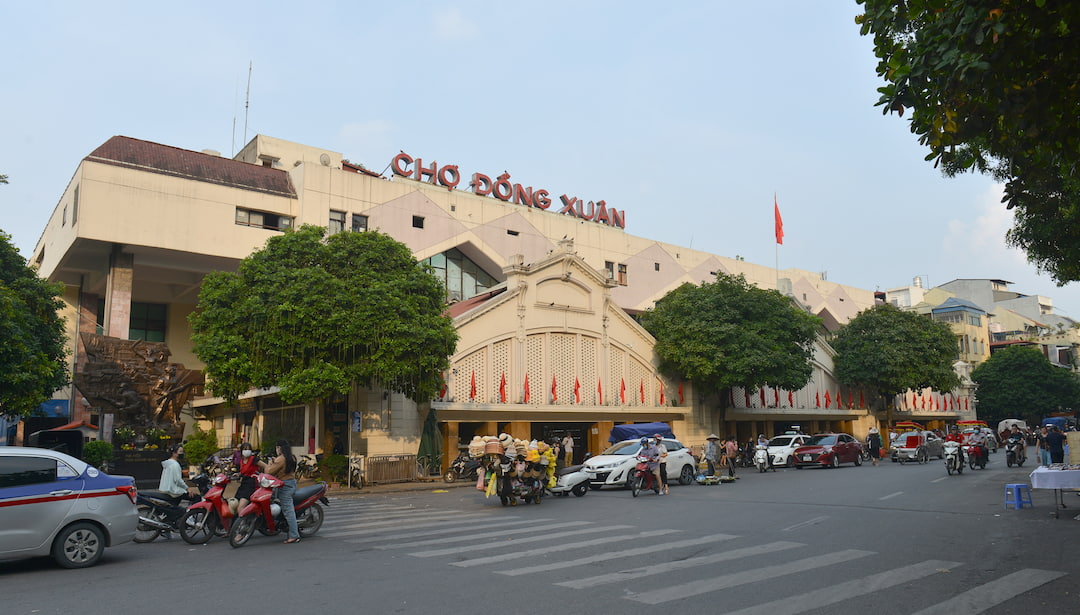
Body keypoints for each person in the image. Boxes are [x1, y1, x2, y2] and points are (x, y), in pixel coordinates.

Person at [266, 439, 300, 544]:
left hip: (285, 486)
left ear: (279, 448)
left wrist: (270, 463)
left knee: (288, 511)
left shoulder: (281, 459)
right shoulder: (292, 457)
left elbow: (269, 471)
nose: (276, 449)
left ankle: (294, 535)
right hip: (291, 483)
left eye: (277, 447)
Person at [234, 442, 266, 515]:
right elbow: (244, 472)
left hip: (251, 484)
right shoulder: (242, 461)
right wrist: (239, 474)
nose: (247, 451)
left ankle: (242, 525)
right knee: (235, 504)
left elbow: (265, 466)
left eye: (248, 449)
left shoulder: (253, 459)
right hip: (244, 484)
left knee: (241, 507)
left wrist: (263, 476)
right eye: (245, 449)